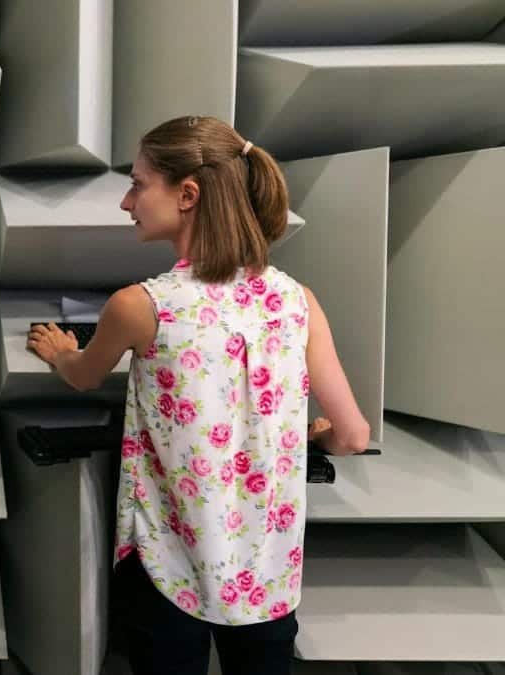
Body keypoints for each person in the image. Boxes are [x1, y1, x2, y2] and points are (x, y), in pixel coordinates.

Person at [26, 115, 370, 675]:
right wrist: (314, 438)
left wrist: (61, 351)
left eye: (138, 184)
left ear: (187, 194)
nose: (125, 201)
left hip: (168, 567)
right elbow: (353, 435)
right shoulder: (297, 300)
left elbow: (84, 376)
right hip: (265, 572)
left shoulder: (141, 305)